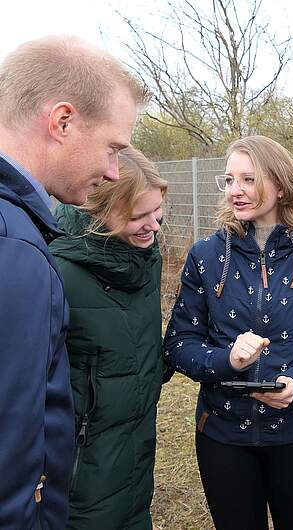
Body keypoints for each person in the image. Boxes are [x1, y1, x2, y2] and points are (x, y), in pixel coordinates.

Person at [163, 135, 293, 530]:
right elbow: (178, 345)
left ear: (280, 185)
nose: (236, 191)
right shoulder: (205, 257)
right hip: (223, 435)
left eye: (249, 179)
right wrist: (226, 359)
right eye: (229, 180)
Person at [0, 36, 145, 529]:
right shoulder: (14, 244)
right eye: (112, 148)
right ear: (62, 121)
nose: (113, 170)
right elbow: (13, 451)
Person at [49, 147, 167, 529]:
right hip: (80, 477)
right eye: (138, 216)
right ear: (97, 212)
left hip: (135, 458)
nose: (154, 226)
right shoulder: (56, 273)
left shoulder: (145, 256)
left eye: (157, 211)